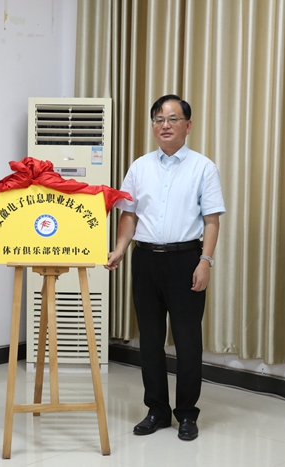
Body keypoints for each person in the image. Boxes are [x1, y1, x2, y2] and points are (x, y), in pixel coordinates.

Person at [106, 94, 225, 441]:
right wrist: (120, 249)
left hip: (186, 260)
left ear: (188, 125)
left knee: (187, 341)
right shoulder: (140, 167)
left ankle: (186, 414)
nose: (165, 125)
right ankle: (156, 410)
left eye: (173, 119)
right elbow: (129, 215)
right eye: (159, 119)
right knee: (150, 340)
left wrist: (205, 261)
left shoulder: (203, 167)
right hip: (146, 260)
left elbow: (212, 220)